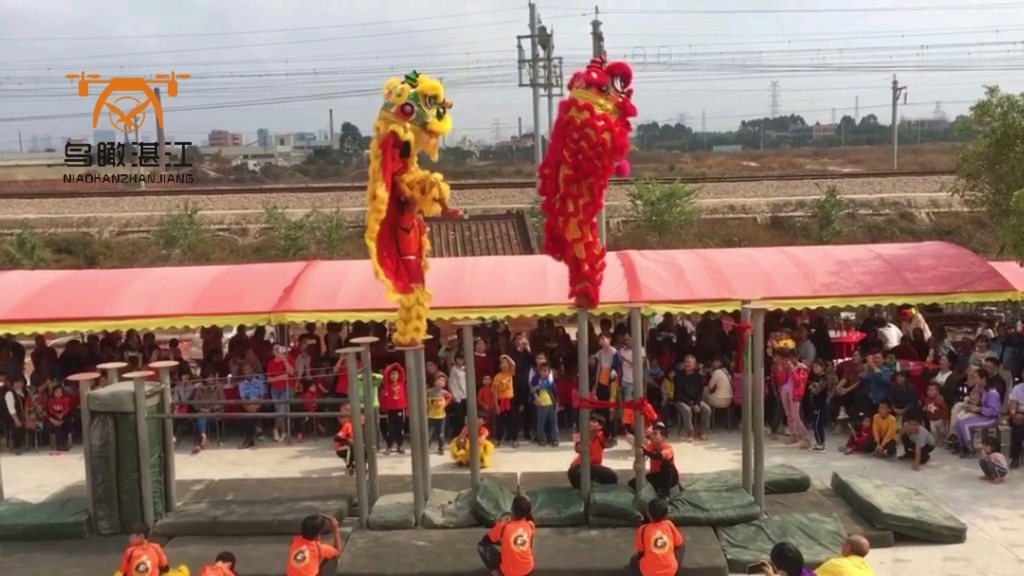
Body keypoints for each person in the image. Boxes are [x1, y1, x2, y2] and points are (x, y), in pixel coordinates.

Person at [478, 495, 535, 576]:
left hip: (509, 573)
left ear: (512, 510)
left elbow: (486, 540)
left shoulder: (503, 526)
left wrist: (502, 533)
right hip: (528, 570)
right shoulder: (530, 525)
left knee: (481, 546)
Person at [954, 368, 1002, 458]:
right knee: (958, 422)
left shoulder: (992, 393)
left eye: (976, 378)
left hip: (991, 419)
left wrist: (979, 409)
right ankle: (963, 446)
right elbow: (974, 398)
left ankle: (970, 449)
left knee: (965, 425)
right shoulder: (980, 389)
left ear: (983, 378)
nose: (974, 381)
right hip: (982, 415)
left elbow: (994, 411)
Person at [630, 498, 685, 576]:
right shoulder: (669, 525)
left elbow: (641, 552)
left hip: (649, 573)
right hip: (670, 571)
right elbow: (679, 543)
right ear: (665, 514)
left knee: (633, 561)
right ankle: (675, 568)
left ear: (648, 513)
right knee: (681, 546)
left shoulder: (642, 529)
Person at [568, 414, 619, 488]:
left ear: (600, 426)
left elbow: (609, 442)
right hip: (579, 466)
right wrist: (583, 445)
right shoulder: (582, 435)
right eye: (590, 421)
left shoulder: (601, 436)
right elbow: (577, 448)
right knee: (575, 473)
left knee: (612, 476)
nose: (590, 423)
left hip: (595, 466)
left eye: (594, 422)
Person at [630, 423, 679, 498]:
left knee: (667, 466)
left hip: (670, 478)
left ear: (663, 438)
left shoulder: (668, 448)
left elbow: (658, 456)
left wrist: (646, 452)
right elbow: (644, 451)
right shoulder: (651, 445)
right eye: (652, 434)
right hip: (656, 476)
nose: (652, 436)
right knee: (632, 483)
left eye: (655, 434)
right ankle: (655, 490)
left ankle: (665, 496)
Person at [673, 355, 710, 442]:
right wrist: (690, 404)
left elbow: (700, 393)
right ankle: (690, 434)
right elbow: (679, 394)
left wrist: (696, 404)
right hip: (681, 401)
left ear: (694, 365)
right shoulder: (678, 377)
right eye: (685, 362)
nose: (687, 364)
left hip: (695, 401)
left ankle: (702, 432)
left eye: (689, 362)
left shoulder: (698, 377)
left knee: (707, 409)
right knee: (687, 410)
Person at [236, 362, 267, 449]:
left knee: (251, 416)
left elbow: (262, 397)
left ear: (253, 370)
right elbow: (242, 399)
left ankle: (248, 439)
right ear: (243, 372)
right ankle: (251, 437)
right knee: (248, 415)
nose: (248, 371)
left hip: (259, 405)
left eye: (250, 369)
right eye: (245, 370)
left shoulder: (259, 381)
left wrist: (256, 406)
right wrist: (248, 407)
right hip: (247, 405)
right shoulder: (241, 383)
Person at [802, 361, 829, 453]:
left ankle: (821, 444)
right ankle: (818, 442)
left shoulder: (824, 378)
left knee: (818, 425)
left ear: (822, 367)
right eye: (814, 367)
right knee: (815, 424)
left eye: (817, 367)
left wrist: (813, 386)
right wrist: (813, 386)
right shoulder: (814, 377)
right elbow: (809, 386)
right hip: (815, 403)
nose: (815, 369)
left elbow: (817, 390)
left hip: (821, 404)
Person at [531, 362, 559, 446]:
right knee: (541, 423)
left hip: (551, 404)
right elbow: (532, 391)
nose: (543, 372)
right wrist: (535, 398)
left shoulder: (550, 382)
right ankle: (541, 438)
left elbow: (555, 393)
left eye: (545, 371)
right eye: (541, 371)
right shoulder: (536, 380)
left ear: (549, 372)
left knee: (553, 423)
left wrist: (557, 403)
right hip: (541, 405)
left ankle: (554, 438)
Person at [493, 354, 517, 447]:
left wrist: (506, 356)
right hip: (501, 400)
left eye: (506, 363)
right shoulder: (497, 377)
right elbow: (495, 392)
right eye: (503, 363)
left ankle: (514, 439)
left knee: (512, 420)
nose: (505, 364)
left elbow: (514, 364)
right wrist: (496, 405)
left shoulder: (510, 373)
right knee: (500, 421)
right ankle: (499, 439)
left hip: (510, 400)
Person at [427, 374, 454, 456]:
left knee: (441, 433)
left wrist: (445, 403)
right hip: (431, 415)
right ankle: (426, 448)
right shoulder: (430, 391)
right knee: (429, 433)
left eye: (442, 381)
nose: (440, 382)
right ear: (435, 382)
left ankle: (441, 448)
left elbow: (450, 397)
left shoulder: (444, 392)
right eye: (439, 380)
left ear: (444, 384)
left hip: (441, 415)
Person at [1008, 377, 1024, 469]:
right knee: (1017, 428)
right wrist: (1014, 415)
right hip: (1018, 414)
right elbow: (1012, 408)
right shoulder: (1017, 388)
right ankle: (1015, 458)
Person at [334, 406, 355, 474]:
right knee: (348, 447)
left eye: (344, 417)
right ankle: (350, 465)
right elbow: (338, 437)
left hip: (352, 446)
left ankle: (351, 465)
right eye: (341, 417)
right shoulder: (346, 425)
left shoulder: (350, 424)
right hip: (344, 447)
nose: (341, 419)